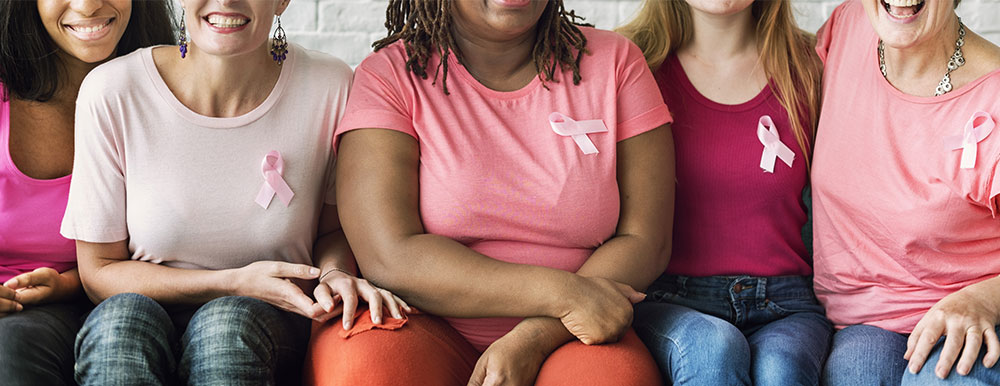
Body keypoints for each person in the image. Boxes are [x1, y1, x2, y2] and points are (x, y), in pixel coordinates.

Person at [304, 1, 676, 385]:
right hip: (422, 323)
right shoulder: (389, 76)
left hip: (574, 333)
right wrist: (563, 295)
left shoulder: (616, 63)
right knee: (362, 371)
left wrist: (535, 336)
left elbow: (646, 239)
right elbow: (389, 254)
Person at [61, 0, 405, 384]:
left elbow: (331, 230)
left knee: (225, 325)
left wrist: (335, 273)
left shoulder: (330, 85)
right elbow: (98, 272)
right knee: (118, 324)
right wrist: (230, 281)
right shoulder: (112, 91)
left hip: (267, 320)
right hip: (143, 311)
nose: (225, 2)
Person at [617, 1, 829, 385]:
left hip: (786, 301)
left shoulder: (812, 67)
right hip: (671, 299)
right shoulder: (633, 66)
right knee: (712, 350)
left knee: (781, 370)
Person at [812, 0, 1000, 385]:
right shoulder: (848, 28)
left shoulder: (993, 96)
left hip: (971, 316)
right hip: (864, 323)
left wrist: (984, 299)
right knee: (855, 375)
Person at [0, 0, 172, 384]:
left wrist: (68, 283)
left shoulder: (172, 92)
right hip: (17, 310)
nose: (88, 5)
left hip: (134, 302)